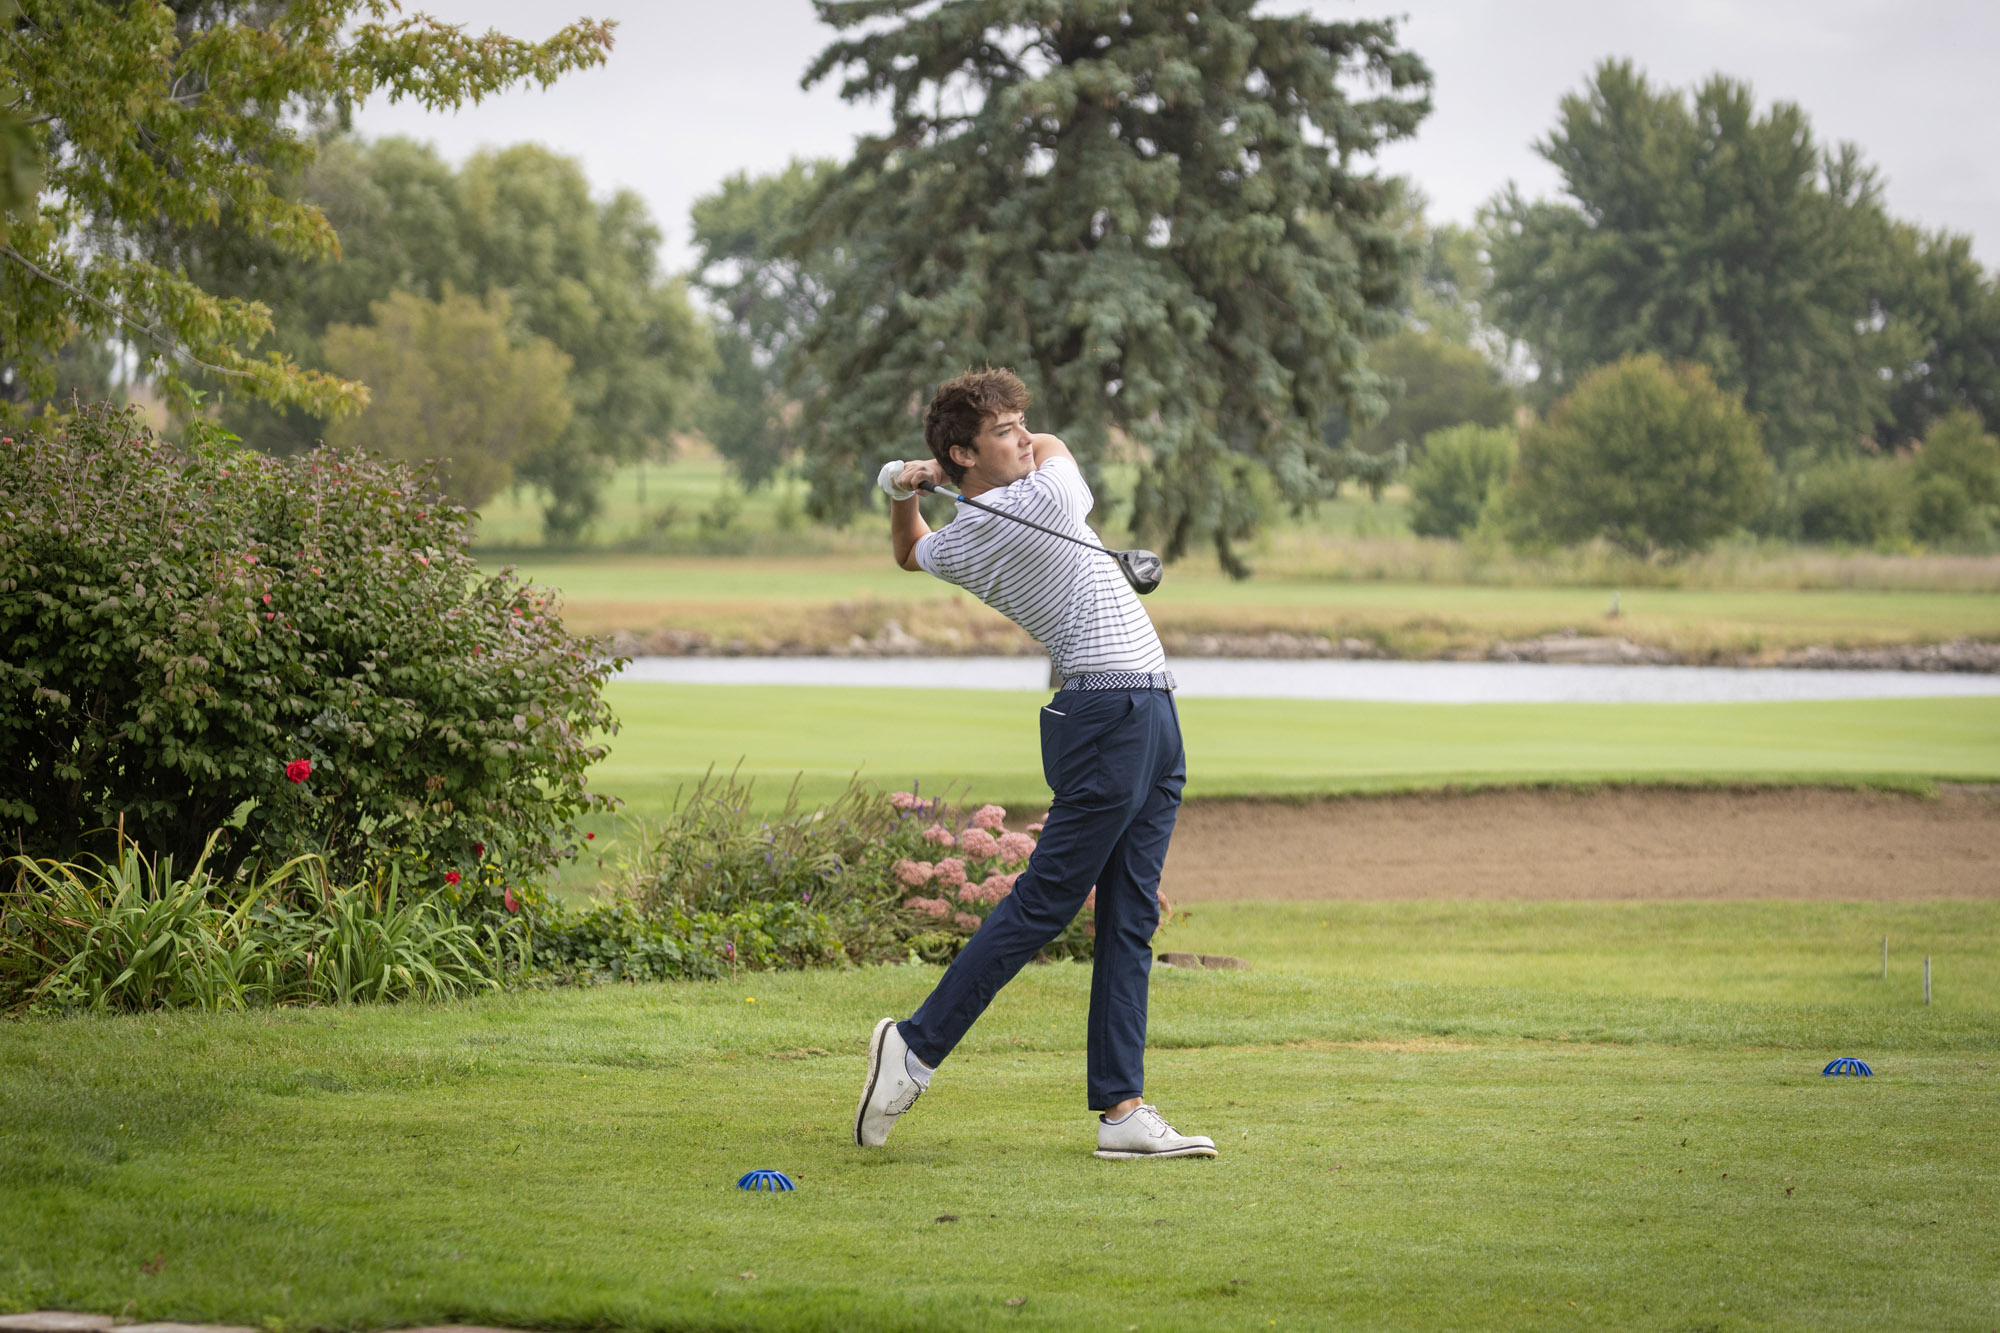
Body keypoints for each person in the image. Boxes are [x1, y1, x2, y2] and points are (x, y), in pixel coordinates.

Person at [853, 367, 1215, 1161]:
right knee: (1047, 901)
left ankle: (1122, 1111)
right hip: (1109, 713)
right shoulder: (1041, 497)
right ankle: (912, 1048)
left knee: (1130, 913)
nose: (1025, 434)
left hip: (1148, 708)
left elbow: (912, 553)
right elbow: (1055, 449)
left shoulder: (969, 533)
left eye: (1023, 421)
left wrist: (905, 489)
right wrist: (941, 472)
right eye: (1004, 428)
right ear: (966, 450)